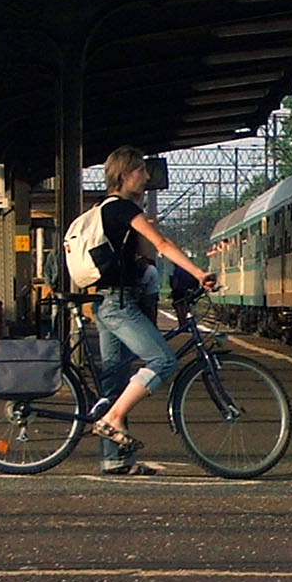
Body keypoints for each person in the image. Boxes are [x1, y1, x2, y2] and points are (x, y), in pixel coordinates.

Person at [88, 147, 220, 474]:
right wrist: (199, 273)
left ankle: (115, 460)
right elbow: (161, 245)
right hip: (118, 304)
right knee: (163, 360)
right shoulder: (121, 209)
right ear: (124, 175)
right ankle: (114, 418)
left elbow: (147, 252)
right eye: (141, 172)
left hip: (107, 301)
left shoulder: (111, 210)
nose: (147, 177)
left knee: (115, 384)